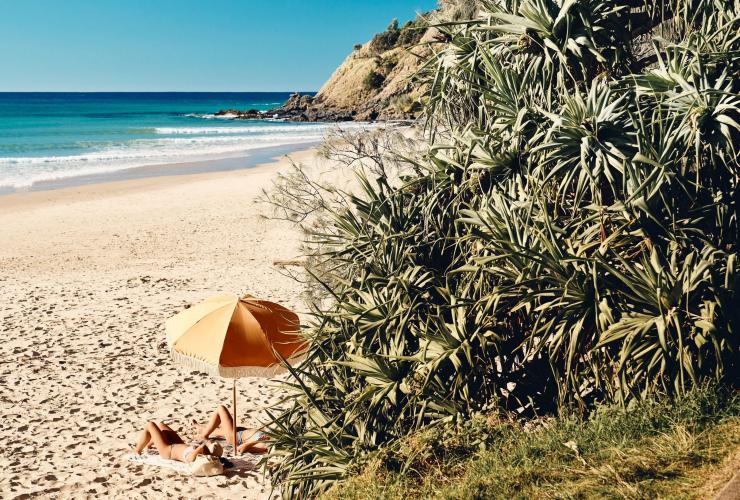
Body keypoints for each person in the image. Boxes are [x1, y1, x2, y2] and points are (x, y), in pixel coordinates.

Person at [194, 405, 270, 454]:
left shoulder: (265, 447)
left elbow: (240, 449)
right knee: (217, 428)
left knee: (221, 409)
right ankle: (201, 429)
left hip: (235, 438)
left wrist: (256, 441)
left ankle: (203, 436)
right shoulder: (276, 438)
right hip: (242, 431)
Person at [133, 421, 220, 463]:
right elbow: (204, 450)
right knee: (162, 426)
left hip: (168, 451)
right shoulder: (205, 454)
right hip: (178, 444)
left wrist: (201, 446)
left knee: (150, 425)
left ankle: (137, 450)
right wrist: (206, 445)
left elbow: (197, 453)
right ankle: (149, 445)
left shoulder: (193, 458)